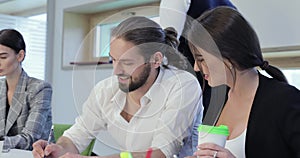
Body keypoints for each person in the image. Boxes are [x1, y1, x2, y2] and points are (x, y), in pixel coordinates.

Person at [32, 16, 203, 158]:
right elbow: (76, 137)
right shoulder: (105, 90)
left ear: (156, 60)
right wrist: (57, 149)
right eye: (113, 60)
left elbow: (160, 153)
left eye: (127, 63)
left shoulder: (183, 86)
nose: (116, 71)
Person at [186, 7, 300, 158]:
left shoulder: (285, 101)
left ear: (229, 55)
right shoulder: (214, 99)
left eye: (201, 59)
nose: (196, 67)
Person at [0, 29, 53, 151]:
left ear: (20, 56)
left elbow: (30, 139)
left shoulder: (40, 88)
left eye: (3, 57)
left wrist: (2, 142)